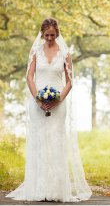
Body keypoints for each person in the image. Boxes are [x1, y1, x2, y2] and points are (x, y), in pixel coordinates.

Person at [6, 18, 92, 202]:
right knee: (39, 143)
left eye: (53, 35)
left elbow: (70, 81)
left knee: (55, 142)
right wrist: (37, 98)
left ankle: (56, 191)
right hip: (37, 104)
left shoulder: (65, 53)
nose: (50, 38)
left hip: (58, 105)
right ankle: (39, 189)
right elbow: (29, 77)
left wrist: (58, 99)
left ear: (57, 34)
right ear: (42, 34)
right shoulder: (36, 51)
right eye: (47, 35)